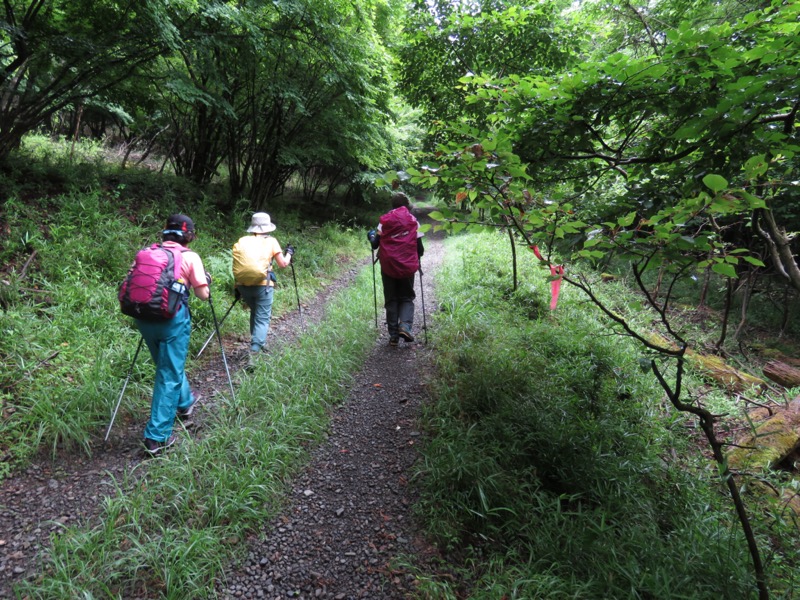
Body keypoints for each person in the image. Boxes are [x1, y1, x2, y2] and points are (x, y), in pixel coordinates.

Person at [135, 214, 210, 455]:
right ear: (190, 236)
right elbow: (203, 295)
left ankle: (185, 402)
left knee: (167, 366)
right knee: (169, 374)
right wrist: (205, 281)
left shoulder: (147, 252)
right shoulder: (190, 257)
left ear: (165, 233)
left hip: (143, 317)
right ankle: (156, 437)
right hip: (172, 320)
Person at [232, 212, 294, 367]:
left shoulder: (242, 240)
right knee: (263, 317)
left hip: (242, 285)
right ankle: (254, 353)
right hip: (263, 285)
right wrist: (289, 254)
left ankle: (259, 341)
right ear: (267, 227)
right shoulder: (271, 241)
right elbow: (283, 264)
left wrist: (237, 287)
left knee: (255, 312)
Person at [368, 192, 424, 346]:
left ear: (392, 205)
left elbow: (375, 245)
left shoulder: (384, 221)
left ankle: (393, 336)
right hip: (407, 267)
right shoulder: (413, 221)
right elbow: (420, 250)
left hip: (388, 266)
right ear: (407, 206)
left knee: (391, 299)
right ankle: (405, 326)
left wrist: (371, 236)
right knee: (406, 297)